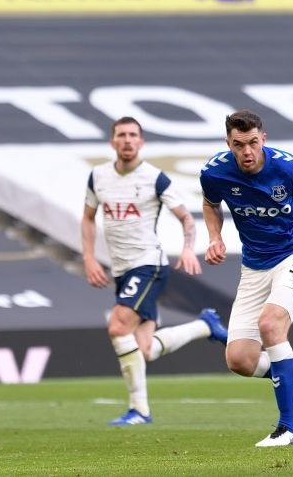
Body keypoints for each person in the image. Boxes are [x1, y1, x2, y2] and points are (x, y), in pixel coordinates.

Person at [200, 109, 293, 448]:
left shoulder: (287, 168)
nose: (247, 152)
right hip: (254, 267)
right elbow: (210, 204)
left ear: (263, 138)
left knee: (270, 325)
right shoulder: (214, 172)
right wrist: (214, 237)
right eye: (239, 145)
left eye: (252, 143)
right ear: (228, 143)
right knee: (240, 360)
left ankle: (288, 428)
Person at [82, 116, 229, 426]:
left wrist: (188, 248)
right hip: (122, 270)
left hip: (149, 265)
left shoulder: (154, 178)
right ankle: (204, 326)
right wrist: (90, 259)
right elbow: (87, 218)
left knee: (118, 328)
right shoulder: (98, 177)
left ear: (141, 142)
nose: (127, 140)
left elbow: (186, 218)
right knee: (143, 349)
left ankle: (139, 410)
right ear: (112, 142)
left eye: (133, 135)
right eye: (121, 135)